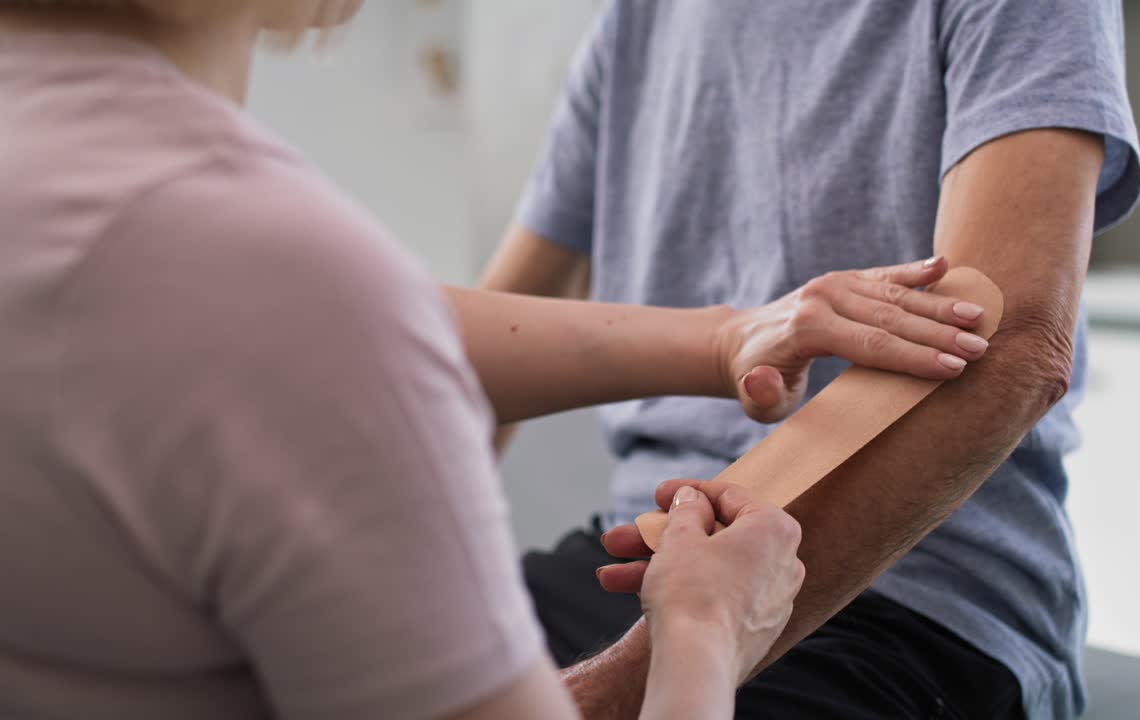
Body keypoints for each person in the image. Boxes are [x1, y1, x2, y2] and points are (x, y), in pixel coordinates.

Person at [0, 2, 991, 718]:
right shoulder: (288, 280)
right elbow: (325, 329)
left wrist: (727, 338)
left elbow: (350, 327)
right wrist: (701, 633)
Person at [484, 1, 1140, 718]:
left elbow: (1004, 349)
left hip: (907, 599)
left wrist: (619, 689)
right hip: (631, 560)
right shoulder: (641, 16)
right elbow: (459, 363)